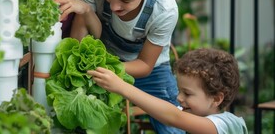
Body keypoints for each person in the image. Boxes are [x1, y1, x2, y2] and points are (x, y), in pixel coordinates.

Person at [50, 0, 184, 133]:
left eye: (125, 1)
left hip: (148, 70)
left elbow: (145, 65)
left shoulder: (164, 9)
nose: (114, 7)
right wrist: (86, 11)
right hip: (102, 61)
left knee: (172, 126)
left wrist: (108, 72)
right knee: (79, 117)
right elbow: (82, 39)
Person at [88, 48, 248, 134]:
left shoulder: (225, 126)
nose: (179, 97)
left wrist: (122, 87)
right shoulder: (193, 112)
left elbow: (172, 116)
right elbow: (159, 109)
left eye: (188, 93)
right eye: (179, 91)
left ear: (217, 98)